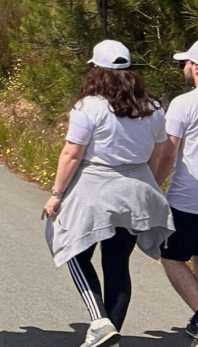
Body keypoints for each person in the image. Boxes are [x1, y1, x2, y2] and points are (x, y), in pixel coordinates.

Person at [42, 40, 174, 347]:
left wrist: (56, 193)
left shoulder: (88, 107)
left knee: (71, 249)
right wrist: (147, 186)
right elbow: (158, 154)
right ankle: (109, 333)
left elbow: (72, 154)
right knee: (117, 264)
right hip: (136, 191)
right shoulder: (153, 109)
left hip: (95, 190)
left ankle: (100, 322)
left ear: (96, 70)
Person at [156, 41, 198, 340]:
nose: (183, 67)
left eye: (185, 63)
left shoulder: (184, 104)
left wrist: (152, 187)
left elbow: (168, 154)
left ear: (196, 67)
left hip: (189, 197)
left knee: (170, 256)